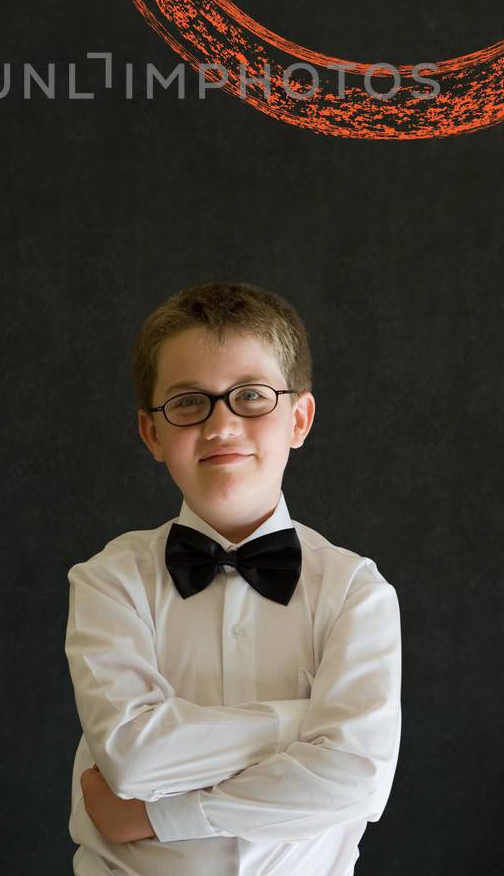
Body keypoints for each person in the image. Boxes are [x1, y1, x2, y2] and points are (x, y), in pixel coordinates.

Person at [64, 281, 402, 874]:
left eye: (250, 396)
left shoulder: (356, 594)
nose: (221, 426)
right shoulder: (108, 582)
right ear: (152, 433)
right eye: (190, 402)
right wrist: (303, 724)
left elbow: (355, 782)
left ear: (299, 418)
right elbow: (133, 759)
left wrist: (159, 816)